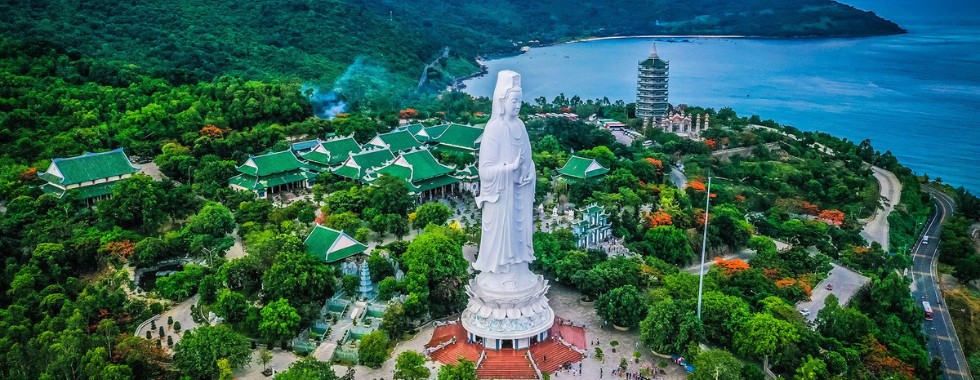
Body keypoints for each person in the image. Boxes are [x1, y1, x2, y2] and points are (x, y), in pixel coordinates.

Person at [473, 70, 536, 275]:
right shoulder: (494, 129)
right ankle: (500, 270)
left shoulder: (520, 125)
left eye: (520, 101)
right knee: (501, 236)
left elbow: (528, 159)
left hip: (518, 190)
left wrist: (527, 173)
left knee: (519, 234)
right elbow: (484, 171)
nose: (518, 106)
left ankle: (518, 267)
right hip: (500, 196)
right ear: (502, 101)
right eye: (514, 101)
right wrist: (509, 168)